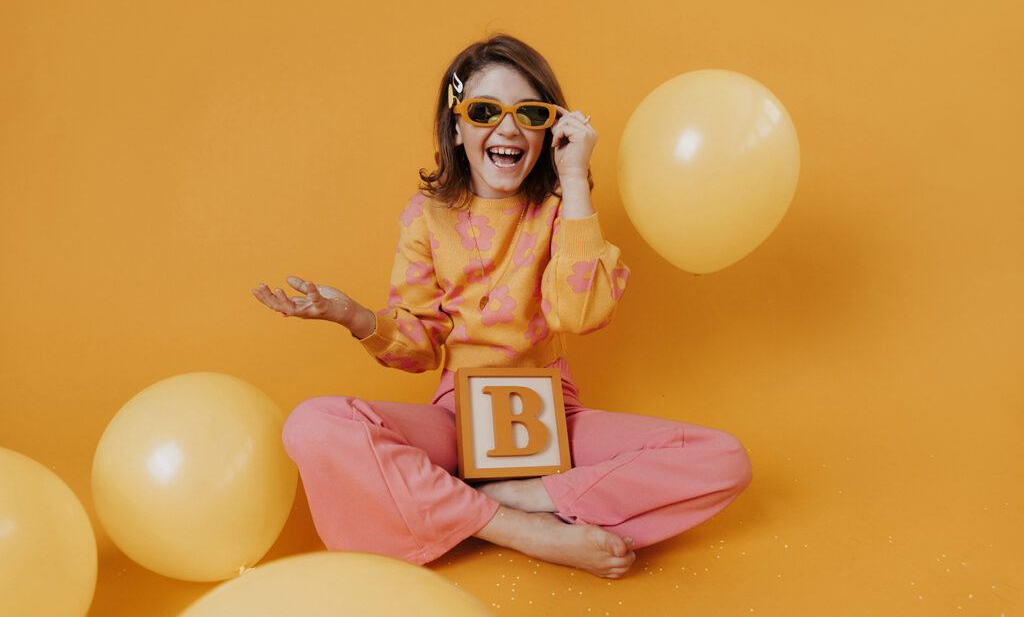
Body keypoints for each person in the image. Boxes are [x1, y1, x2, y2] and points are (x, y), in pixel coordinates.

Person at [252, 34, 751, 579]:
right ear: (458, 126)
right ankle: (515, 526)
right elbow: (419, 349)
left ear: (549, 130)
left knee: (724, 457)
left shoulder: (563, 208)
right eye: (486, 111)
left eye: (529, 113)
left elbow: (578, 315)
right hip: (454, 419)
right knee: (314, 424)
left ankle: (518, 497)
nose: (508, 129)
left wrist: (575, 180)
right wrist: (353, 316)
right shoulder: (426, 216)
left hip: (554, 417)